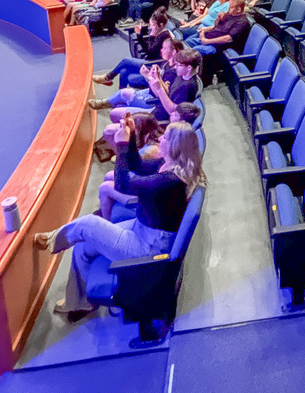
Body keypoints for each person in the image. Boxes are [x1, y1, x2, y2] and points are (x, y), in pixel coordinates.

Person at [34, 120, 205, 321]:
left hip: (149, 246)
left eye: (165, 137)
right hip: (141, 229)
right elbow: (137, 165)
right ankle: (79, 303)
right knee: (82, 246)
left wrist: (122, 145)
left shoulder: (169, 181)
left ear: (175, 146)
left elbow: (123, 184)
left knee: (88, 224)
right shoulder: (168, 165)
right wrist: (131, 136)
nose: (160, 138)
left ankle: (53, 240)